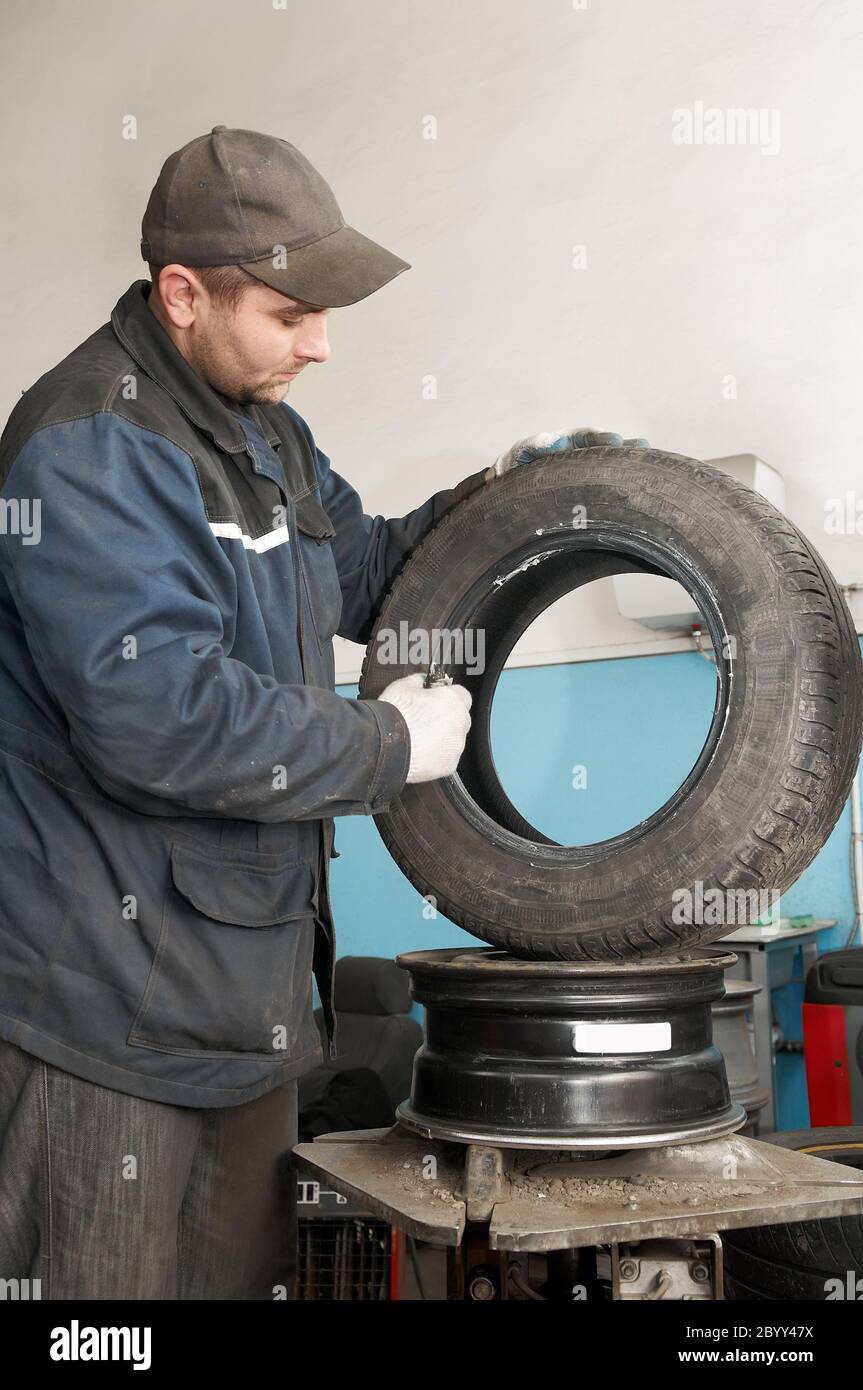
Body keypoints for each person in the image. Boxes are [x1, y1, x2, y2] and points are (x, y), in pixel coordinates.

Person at [0, 124, 642, 1299]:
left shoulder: (268, 436)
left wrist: (499, 501)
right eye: (290, 314)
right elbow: (159, 714)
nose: (323, 343)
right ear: (182, 294)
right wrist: (389, 744)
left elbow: (367, 571)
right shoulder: (88, 448)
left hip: (240, 1011)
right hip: (102, 1023)